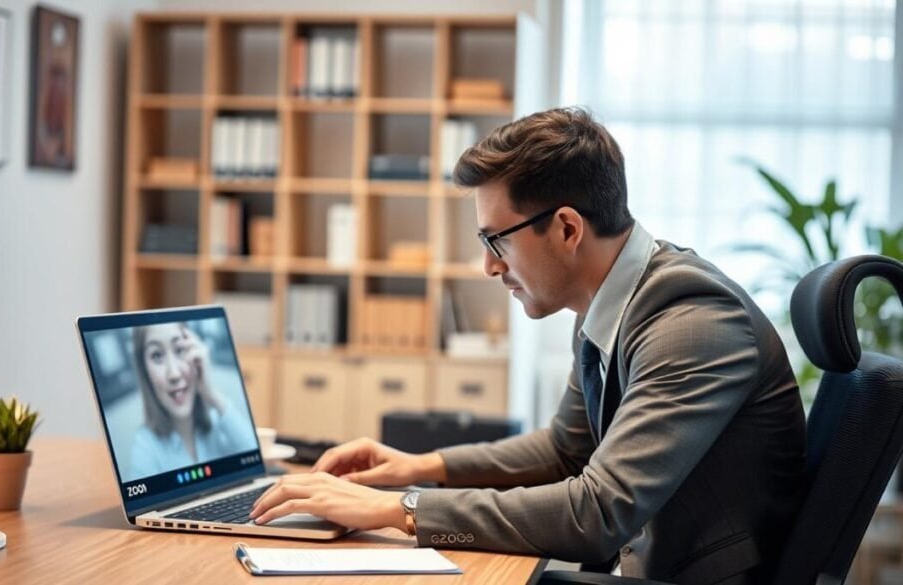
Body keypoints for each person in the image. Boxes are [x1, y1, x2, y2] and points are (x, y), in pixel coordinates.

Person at [249, 107, 806, 584]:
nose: (489, 265)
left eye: (497, 240)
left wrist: (400, 508)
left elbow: (597, 511)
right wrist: (418, 466)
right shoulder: (610, 301)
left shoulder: (690, 322)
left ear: (566, 229)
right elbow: (564, 451)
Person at [128, 322, 255, 479]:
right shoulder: (145, 446)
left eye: (180, 350)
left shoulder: (218, 421)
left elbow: (255, 464)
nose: (174, 374)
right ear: (145, 371)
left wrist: (212, 394)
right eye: (157, 355)